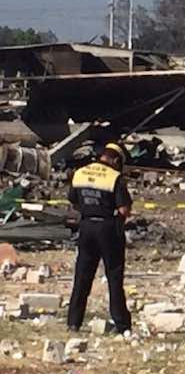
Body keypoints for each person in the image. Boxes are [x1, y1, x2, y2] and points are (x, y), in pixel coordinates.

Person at [67, 142, 133, 335]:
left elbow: (73, 200)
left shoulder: (80, 173)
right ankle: (121, 323)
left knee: (82, 276)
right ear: (116, 159)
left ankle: (73, 322)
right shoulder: (115, 178)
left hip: (86, 227)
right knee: (114, 275)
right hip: (108, 228)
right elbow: (124, 210)